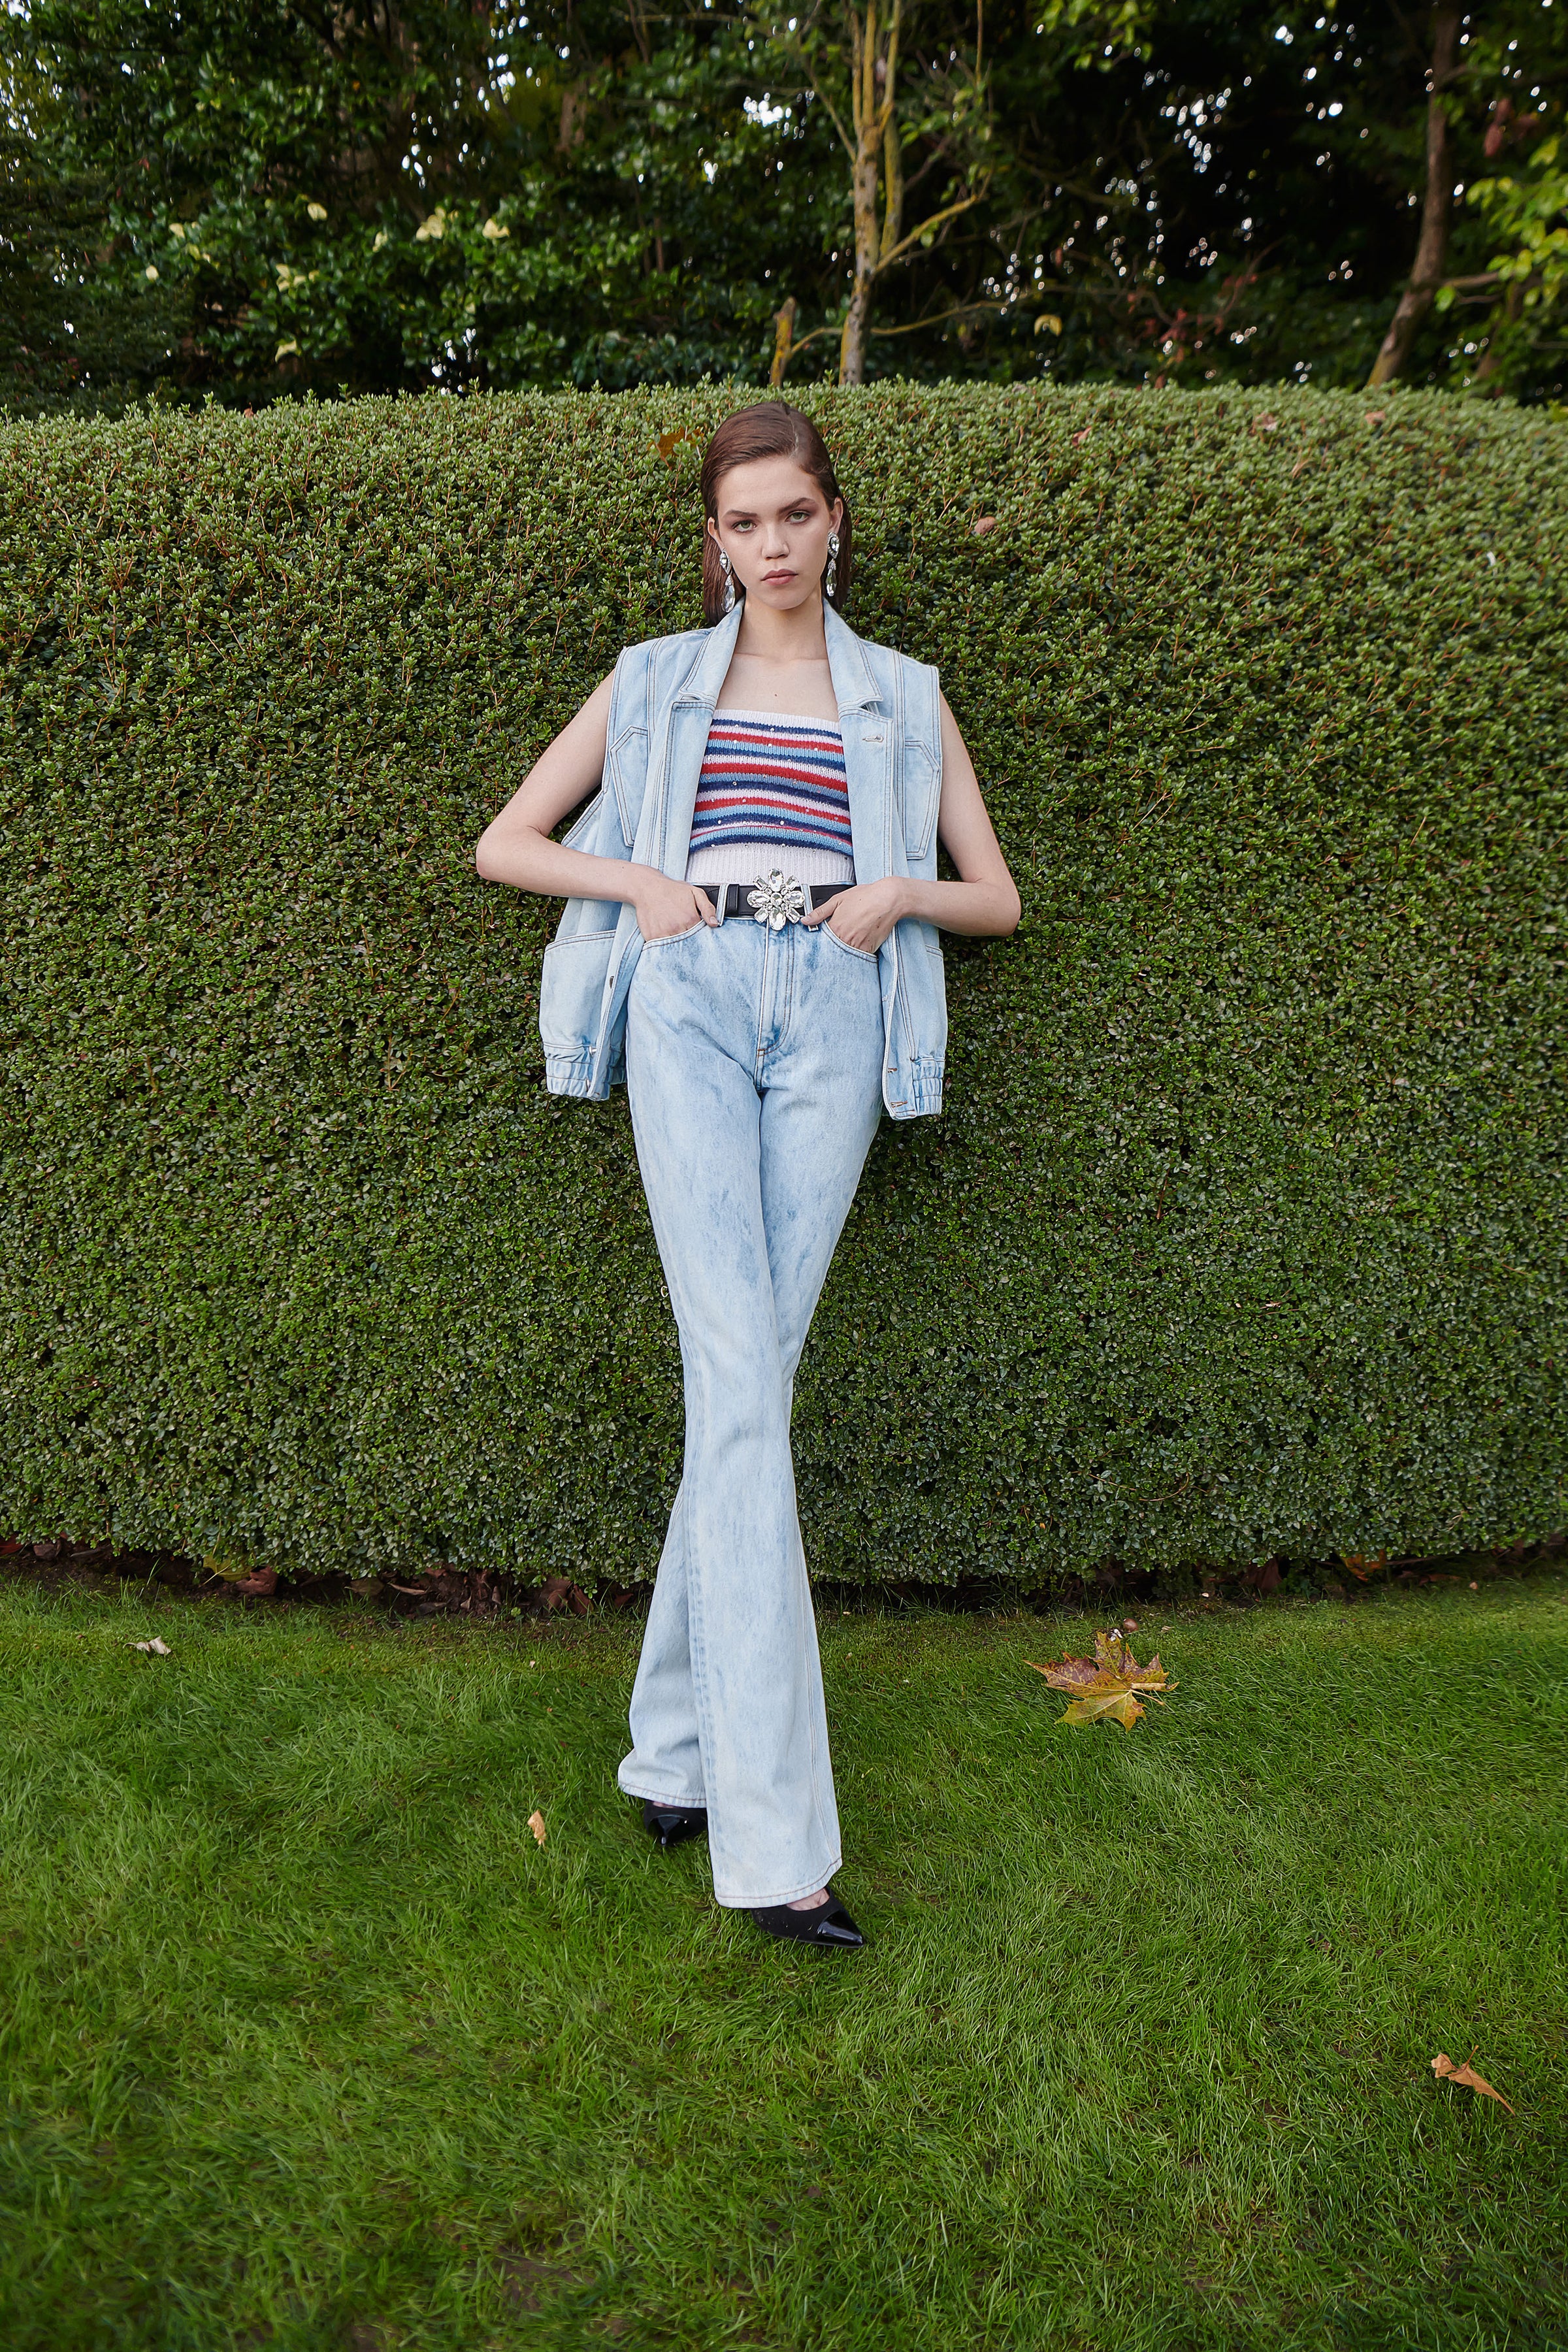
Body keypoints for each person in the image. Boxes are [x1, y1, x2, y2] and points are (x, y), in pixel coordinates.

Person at [475, 400, 1019, 1949]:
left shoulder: (904, 695)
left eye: (794, 514)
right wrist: (641, 882)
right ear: (713, 541)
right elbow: (507, 842)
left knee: (750, 1384)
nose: (771, 545)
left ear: (835, 520)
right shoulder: (654, 679)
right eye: (743, 522)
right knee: (735, 1375)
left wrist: (897, 892)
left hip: (838, 1003)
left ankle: (671, 1752)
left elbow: (998, 897)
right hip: (692, 996)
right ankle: (775, 1848)